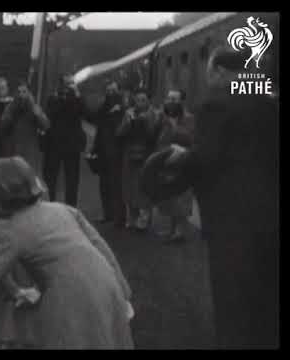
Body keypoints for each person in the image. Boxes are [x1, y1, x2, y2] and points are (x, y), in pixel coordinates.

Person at [141, 46, 279, 348]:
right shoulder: (269, 101)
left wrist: (182, 157)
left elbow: (208, 159)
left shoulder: (216, 104)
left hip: (232, 220)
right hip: (270, 217)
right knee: (266, 302)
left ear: (218, 71)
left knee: (233, 300)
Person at [0, 156, 135, 349]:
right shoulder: (63, 209)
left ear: (0, 197)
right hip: (107, 284)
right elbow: (102, 248)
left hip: (68, 298)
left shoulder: (5, 230)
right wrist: (123, 293)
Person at [117, 88, 161, 230]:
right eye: (137, 100)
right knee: (129, 186)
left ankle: (144, 220)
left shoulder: (154, 114)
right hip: (130, 154)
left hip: (146, 155)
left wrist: (145, 121)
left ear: (148, 100)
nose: (140, 103)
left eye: (143, 100)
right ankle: (132, 218)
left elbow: (153, 135)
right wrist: (127, 122)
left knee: (143, 187)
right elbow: (119, 133)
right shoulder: (128, 113)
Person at [155, 89, 195, 242]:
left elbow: (190, 138)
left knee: (181, 197)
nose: (170, 102)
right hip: (166, 161)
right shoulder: (163, 117)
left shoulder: (189, 119)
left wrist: (173, 126)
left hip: (181, 162)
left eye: (174, 99)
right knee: (170, 196)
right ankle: (172, 229)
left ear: (181, 102)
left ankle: (179, 231)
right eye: (168, 98)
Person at [43, 74, 87, 207]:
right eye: (67, 84)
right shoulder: (53, 98)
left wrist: (77, 95)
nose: (70, 87)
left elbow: (85, 113)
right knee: (51, 177)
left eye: (71, 83)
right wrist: (62, 98)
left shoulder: (77, 99)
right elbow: (52, 114)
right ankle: (50, 204)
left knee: (72, 179)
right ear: (61, 85)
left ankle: (71, 207)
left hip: (72, 144)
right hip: (54, 143)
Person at [91, 80, 126, 226]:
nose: (111, 93)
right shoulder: (104, 109)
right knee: (104, 184)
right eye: (108, 91)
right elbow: (97, 123)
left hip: (117, 152)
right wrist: (94, 148)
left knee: (116, 185)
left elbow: (121, 130)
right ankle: (108, 214)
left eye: (113, 90)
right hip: (103, 151)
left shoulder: (123, 110)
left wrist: (116, 111)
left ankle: (119, 217)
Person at [0, 80, 50, 174]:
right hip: (13, 152)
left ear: (28, 93)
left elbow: (46, 125)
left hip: (30, 153)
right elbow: (3, 126)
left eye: (24, 92)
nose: (21, 95)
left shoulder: (34, 107)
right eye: (18, 92)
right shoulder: (10, 108)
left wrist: (37, 114)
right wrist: (12, 112)